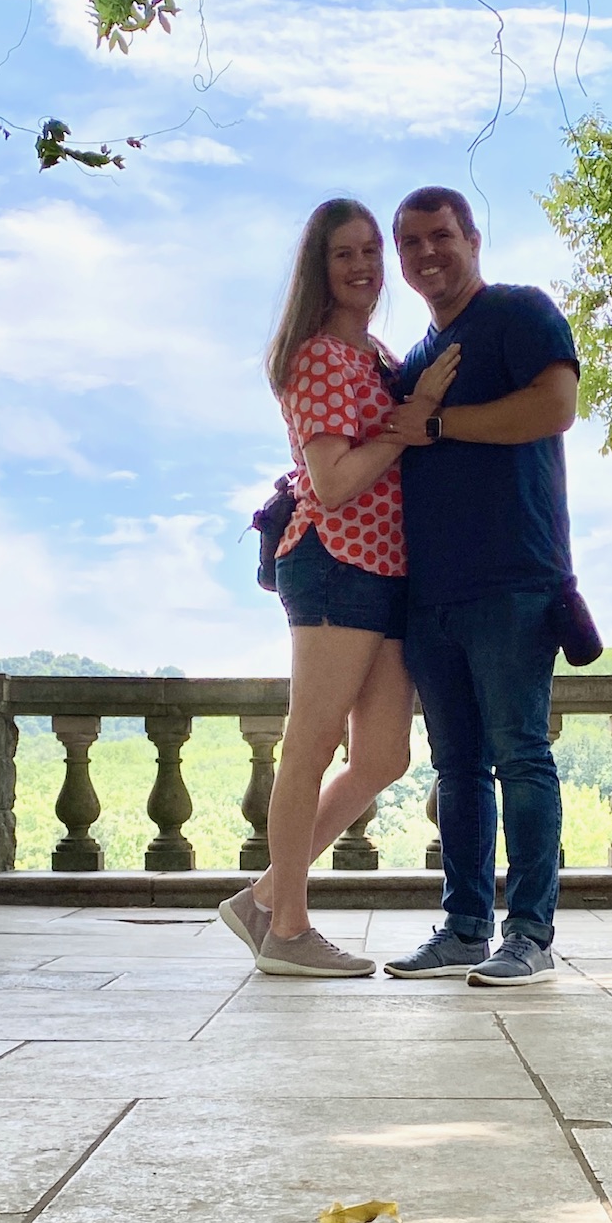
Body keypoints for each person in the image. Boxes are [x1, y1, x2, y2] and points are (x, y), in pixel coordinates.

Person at [219, 198, 460, 976]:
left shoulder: (375, 353)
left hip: (384, 570)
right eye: (344, 254)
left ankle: (262, 896)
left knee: (384, 754)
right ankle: (286, 928)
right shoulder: (320, 356)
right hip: (334, 559)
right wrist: (412, 416)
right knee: (314, 741)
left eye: (369, 252)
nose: (363, 266)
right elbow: (331, 480)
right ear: (318, 269)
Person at [379, 186, 580, 987]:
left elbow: (555, 405)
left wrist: (438, 423)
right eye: (411, 244)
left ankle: (530, 933)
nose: (428, 254)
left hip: (514, 579)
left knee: (520, 754)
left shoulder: (520, 313)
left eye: (441, 236)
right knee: (456, 766)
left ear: (473, 236)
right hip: (430, 594)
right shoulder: (416, 363)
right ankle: (466, 925)